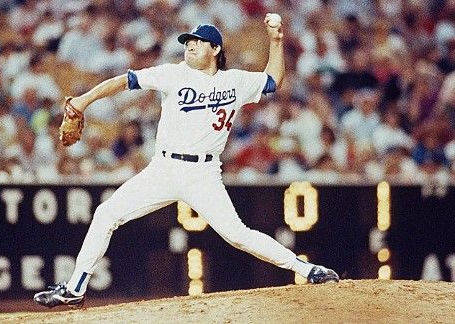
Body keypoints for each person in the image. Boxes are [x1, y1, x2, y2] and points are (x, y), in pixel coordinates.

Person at [34, 16, 340, 309]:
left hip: (203, 174)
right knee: (106, 213)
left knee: (237, 234)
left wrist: (276, 40)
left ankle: (306, 269)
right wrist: (83, 101)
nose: (190, 46)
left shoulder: (235, 81)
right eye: (188, 42)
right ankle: (75, 288)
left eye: (198, 41)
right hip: (163, 169)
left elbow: (273, 80)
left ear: (216, 49)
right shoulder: (174, 73)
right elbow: (124, 81)